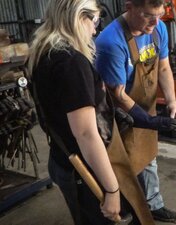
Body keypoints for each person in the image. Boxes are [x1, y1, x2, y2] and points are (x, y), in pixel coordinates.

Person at [27, 0, 121, 224]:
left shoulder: (43, 52)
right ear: (79, 17)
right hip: (82, 169)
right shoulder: (71, 62)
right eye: (95, 21)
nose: (95, 29)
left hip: (60, 157)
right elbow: (86, 134)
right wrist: (112, 189)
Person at [95, 0, 176, 222]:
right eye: (148, 15)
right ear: (128, 6)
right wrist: (146, 121)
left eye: (159, 15)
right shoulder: (111, 43)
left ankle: (153, 204)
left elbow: (162, 66)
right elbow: (118, 97)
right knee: (123, 167)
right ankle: (126, 212)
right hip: (120, 117)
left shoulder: (157, 28)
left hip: (145, 108)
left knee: (148, 157)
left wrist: (172, 101)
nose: (155, 22)